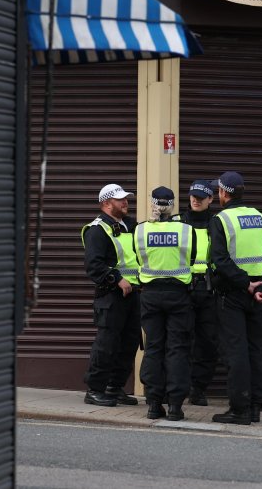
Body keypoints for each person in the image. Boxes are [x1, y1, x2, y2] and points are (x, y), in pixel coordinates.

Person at [207, 171, 262, 425]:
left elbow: (220, 261)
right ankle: (256, 406)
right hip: (258, 294)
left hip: (234, 293)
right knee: (256, 350)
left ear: (224, 193)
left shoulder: (221, 220)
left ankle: (239, 409)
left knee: (236, 353)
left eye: (218, 191)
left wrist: (246, 284)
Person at [134, 187, 197, 421]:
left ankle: (153, 404)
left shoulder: (140, 230)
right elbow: (191, 259)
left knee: (153, 348)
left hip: (150, 294)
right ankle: (175, 407)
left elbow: (139, 258)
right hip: (179, 294)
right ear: (172, 205)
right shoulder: (186, 230)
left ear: (152, 203)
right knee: (178, 349)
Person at [82, 183, 142, 406]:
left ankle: (114, 388)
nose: (126, 202)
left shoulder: (130, 226)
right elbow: (93, 265)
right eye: (120, 199)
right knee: (106, 345)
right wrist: (116, 279)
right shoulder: (97, 230)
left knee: (128, 344)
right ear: (106, 203)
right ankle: (94, 389)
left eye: (126, 198)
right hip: (111, 296)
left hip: (133, 294)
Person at [172, 179, 218, 407]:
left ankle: (198, 389)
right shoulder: (177, 222)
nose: (196, 200)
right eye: (193, 196)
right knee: (180, 341)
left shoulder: (217, 223)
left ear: (211, 199)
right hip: (182, 289)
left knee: (207, 342)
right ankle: (176, 389)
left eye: (201, 197)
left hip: (210, 290)